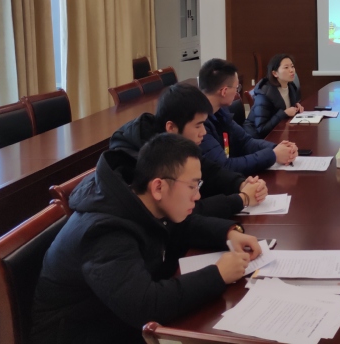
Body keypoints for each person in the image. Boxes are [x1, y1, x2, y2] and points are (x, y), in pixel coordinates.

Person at [30, 134, 263, 344]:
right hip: (84, 333)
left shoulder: (137, 199)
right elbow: (146, 306)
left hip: (115, 319)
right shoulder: (105, 232)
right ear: (158, 187)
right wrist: (218, 274)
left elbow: (181, 226)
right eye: (192, 186)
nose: (198, 195)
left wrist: (228, 232)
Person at [97, 82, 267, 218]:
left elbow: (208, 169)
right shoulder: (138, 159)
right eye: (198, 125)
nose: (204, 132)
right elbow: (184, 210)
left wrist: (241, 183)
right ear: (171, 127)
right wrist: (241, 199)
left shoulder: (174, 142)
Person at [198, 59, 298, 173]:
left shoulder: (220, 111)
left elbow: (246, 142)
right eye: (237, 88)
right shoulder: (198, 123)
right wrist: (273, 155)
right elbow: (224, 167)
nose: (237, 92)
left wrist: (277, 148)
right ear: (224, 91)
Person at [244, 53, 304, 138]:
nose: (291, 70)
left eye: (292, 66)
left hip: (278, 132)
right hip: (257, 138)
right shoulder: (264, 94)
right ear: (275, 73)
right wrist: (284, 113)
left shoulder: (291, 86)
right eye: (286, 67)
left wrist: (295, 106)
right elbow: (262, 129)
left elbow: (283, 107)